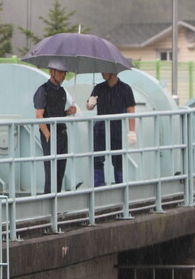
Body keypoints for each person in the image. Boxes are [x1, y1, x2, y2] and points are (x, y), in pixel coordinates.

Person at [86, 70, 136, 187]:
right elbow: (89, 107)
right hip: (100, 128)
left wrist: (132, 131)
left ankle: (120, 187)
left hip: (116, 128)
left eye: (105, 70)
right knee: (97, 158)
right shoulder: (98, 88)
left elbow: (131, 110)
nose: (102, 72)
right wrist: (90, 103)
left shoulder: (125, 89)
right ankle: (98, 186)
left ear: (113, 71)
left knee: (118, 159)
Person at [34, 61, 77, 195]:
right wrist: (47, 134)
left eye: (64, 72)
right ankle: (49, 201)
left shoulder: (62, 91)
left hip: (62, 133)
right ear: (51, 72)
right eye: (60, 72)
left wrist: (68, 112)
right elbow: (39, 115)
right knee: (51, 170)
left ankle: (57, 200)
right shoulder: (43, 90)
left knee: (60, 169)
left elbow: (58, 114)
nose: (63, 75)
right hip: (50, 134)